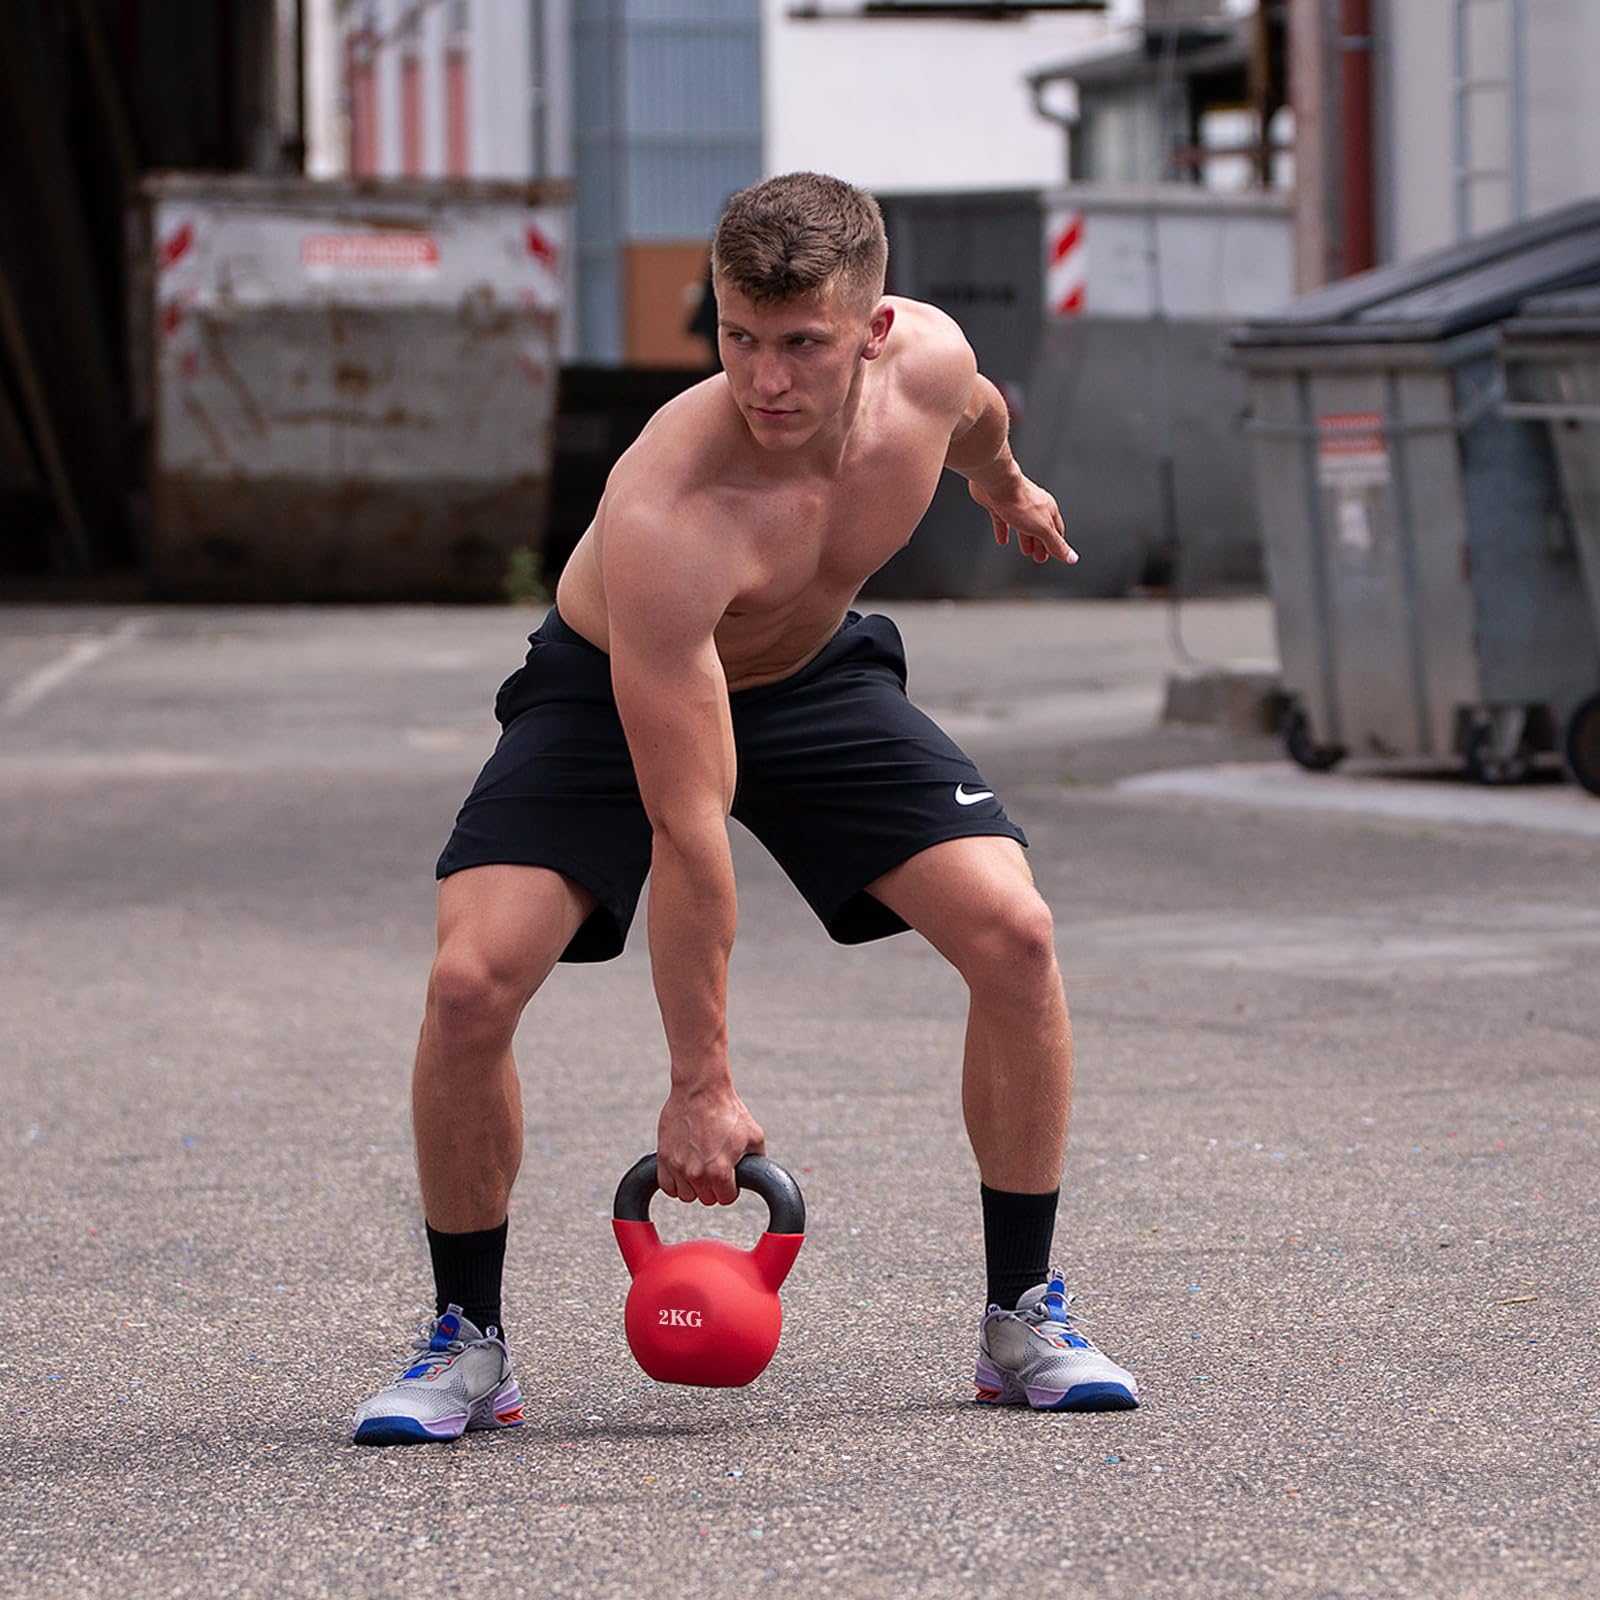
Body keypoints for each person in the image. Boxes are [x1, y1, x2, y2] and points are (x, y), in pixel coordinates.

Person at [351, 172, 1138, 1445]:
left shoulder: (929, 365)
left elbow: (979, 414)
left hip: (812, 673)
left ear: (875, 328)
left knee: (1016, 934)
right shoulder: (668, 507)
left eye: (801, 345)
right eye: (736, 339)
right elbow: (686, 827)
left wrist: (1002, 483)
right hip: (615, 689)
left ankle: (1022, 1316)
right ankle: (467, 1342)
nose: (764, 379)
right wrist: (699, 1085)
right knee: (469, 985)